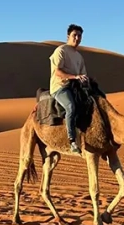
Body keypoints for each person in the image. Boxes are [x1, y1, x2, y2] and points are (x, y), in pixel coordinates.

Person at [49, 24, 88, 154]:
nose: (77, 38)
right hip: (60, 87)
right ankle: (72, 141)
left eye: (79, 36)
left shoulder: (79, 57)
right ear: (68, 36)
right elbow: (57, 72)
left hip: (75, 87)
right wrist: (75, 77)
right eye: (74, 35)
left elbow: (83, 74)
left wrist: (84, 79)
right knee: (71, 106)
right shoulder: (61, 51)